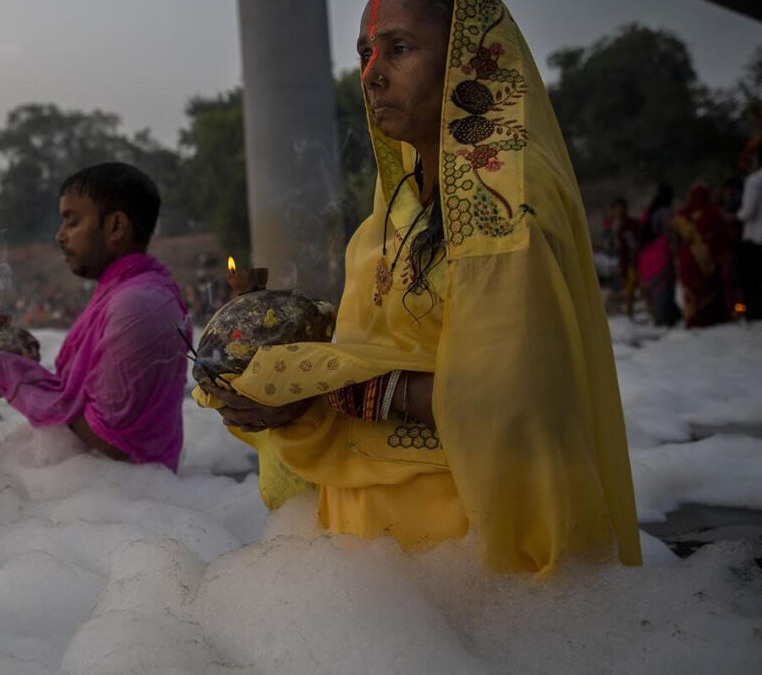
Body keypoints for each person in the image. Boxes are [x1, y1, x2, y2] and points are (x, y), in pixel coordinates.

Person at [196, 0, 640, 574]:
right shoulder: (386, 220)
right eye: (364, 53)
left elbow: (511, 403)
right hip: (375, 573)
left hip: (469, 564)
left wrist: (344, 387)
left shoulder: (503, 204)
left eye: (399, 49)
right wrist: (280, 385)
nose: (372, 72)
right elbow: (369, 356)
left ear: (468, 62)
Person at [0, 162, 192, 471]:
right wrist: (18, 370)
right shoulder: (121, 290)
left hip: (128, 497)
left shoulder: (138, 304)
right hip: (102, 492)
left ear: (115, 227)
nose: (60, 236)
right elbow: (84, 402)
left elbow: (110, 440)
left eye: (72, 222)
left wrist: (16, 379)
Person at [671, 184, 731, 328]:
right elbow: (723, 239)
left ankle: (693, 319)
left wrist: (677, 257)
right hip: (707, 261)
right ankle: (713, 318)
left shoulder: (682, 216)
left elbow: (674, 240)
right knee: (710, 289)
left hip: (687, 259)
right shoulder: (713, 214)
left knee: (692, 291)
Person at [638, 183, 680, 326]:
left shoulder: (649, 212)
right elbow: (670, 233)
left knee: (654, 288)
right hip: (660, 252)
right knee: (664, 286)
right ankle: (665, 317)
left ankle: (660, 316)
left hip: (645, 255)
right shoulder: (665, 211)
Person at [738, 144, 762, 321]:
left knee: (752, 280)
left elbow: (748, 212)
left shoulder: (754, 181)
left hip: (755, 237)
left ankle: (752, 312)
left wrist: (736, 215)